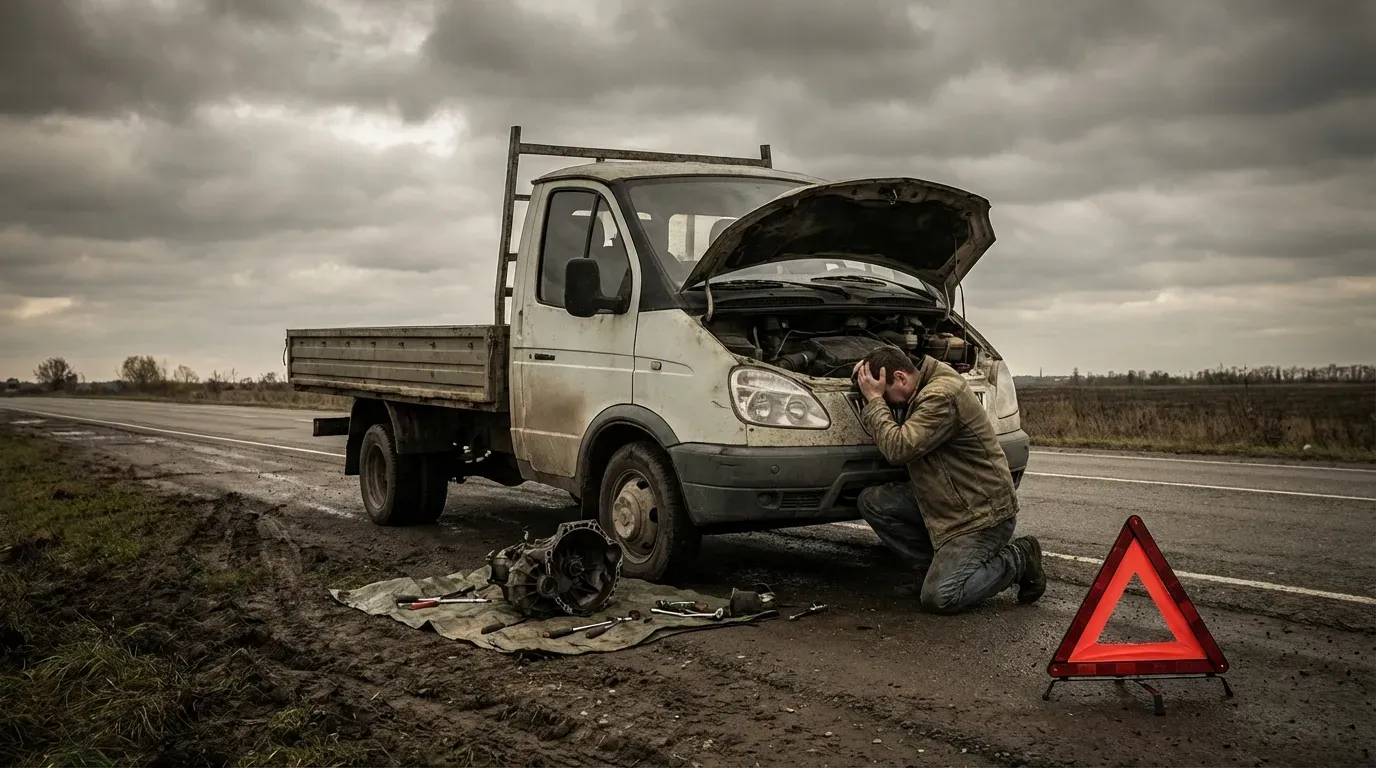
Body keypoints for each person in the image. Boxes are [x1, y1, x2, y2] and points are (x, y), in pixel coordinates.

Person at [851, 346, 1045, 613]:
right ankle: (929, 569)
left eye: (886, 395)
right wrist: (868, 369)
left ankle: (1019, 558)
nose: (887, 403)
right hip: (949, 502)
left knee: (940, 597)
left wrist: (874, 402)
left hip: (979, 517)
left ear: (901, 377)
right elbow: (892, 355)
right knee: (874, 502)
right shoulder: (924, 379)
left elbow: (899, 448)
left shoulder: (941, 396)